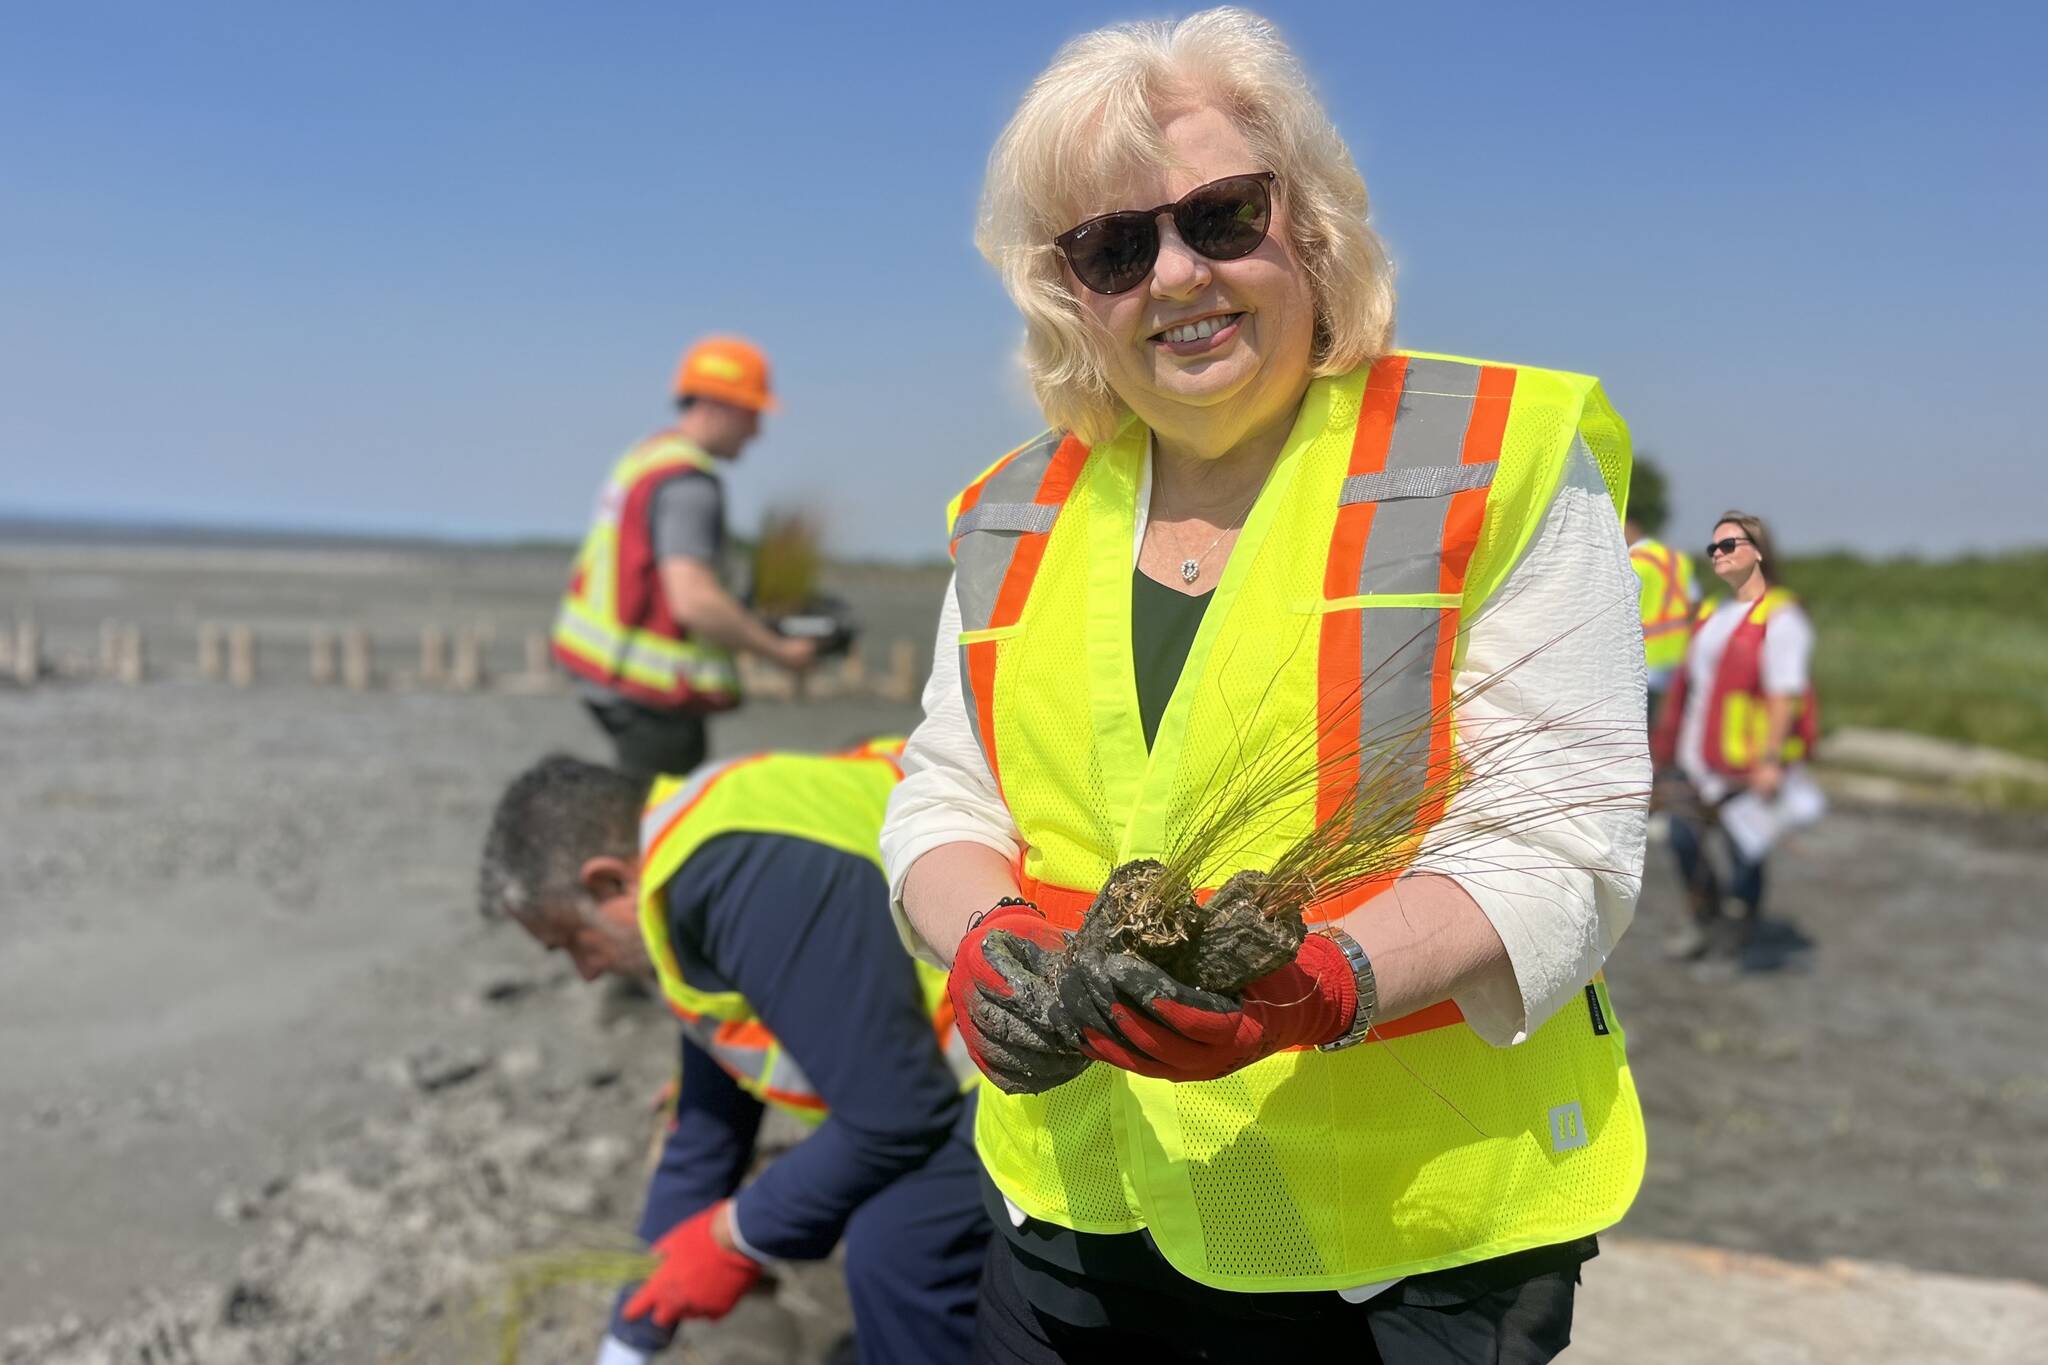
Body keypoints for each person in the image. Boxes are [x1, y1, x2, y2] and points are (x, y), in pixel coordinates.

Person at [881, 10, 1650, 1362]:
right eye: (1116, 247)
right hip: (1077, 1207)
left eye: (1223, 216)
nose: (1177, 272)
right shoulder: (1010, 514)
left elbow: (1562, 838)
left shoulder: (1491, 452)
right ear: (1069, 292)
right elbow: (943, 795)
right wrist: (986, 939)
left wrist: (1320, 984)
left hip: (1400, 1249)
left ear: (1311, 222)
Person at [478, 740, 988, 1365]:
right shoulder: (686, 868)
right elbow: (706, 1128)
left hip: (1017, 1041)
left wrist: (735, 1237)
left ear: (608, 881)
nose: (585, 975)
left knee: (902, 1248)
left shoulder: (738, 880)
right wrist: (630, 1338)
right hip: (951, 1062)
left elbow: (898, 1115)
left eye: (571, 943)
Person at [551, 336, 817, 778]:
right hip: (647, 693)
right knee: (662, 830)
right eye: (753, 414)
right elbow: (693, 600)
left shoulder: (647, 456)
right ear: (719, 406)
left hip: (600, 671)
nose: (757, 431)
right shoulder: (689, 484)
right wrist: (780, 651)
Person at [1651, 511, 1818, 962]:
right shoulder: (1713, 615)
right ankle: (1704, 920)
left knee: (1744, 848)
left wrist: (1769, 760)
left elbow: (1785, 693)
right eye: (1713, 547)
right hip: (1694, 757)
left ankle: (1740, 928)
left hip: (1743, 759)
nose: (1717, 554)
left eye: (1730, 545)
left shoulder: (1781, 618)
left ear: (1760, 551)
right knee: (1684, 840)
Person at [1623, 458, 1698, 718]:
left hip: (1645, 658)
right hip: (1678, 656)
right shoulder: (1676, 559)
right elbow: (1694, 604)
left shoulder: (1632, 561)